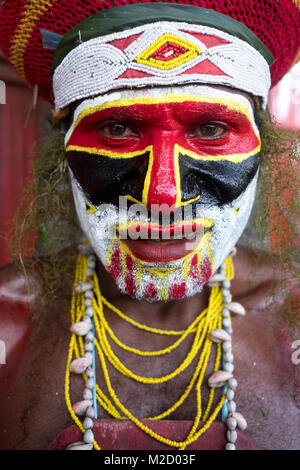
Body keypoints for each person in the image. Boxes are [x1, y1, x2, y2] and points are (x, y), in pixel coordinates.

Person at [0, 0, 299, 451]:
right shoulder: (9, 318)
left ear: (262, 149)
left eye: (212, 129)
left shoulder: (292, 315)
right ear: (63, 155)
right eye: (118, 129)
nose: (163, 195)